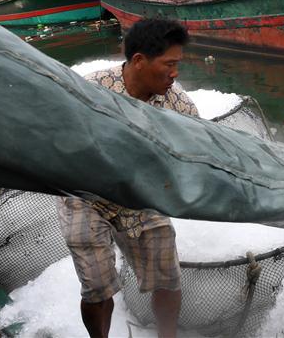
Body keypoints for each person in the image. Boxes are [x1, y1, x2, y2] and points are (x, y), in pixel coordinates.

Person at [58, 18, 198, 338]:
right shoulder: (92, 89)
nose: (175, 74)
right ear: (138, 61)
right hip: (86, 194)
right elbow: (60, 137)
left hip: (140, 196)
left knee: (167, 275)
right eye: (169, 64)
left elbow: (199, 152)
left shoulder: (178, 106)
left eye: (178, 64)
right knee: (96, 286)